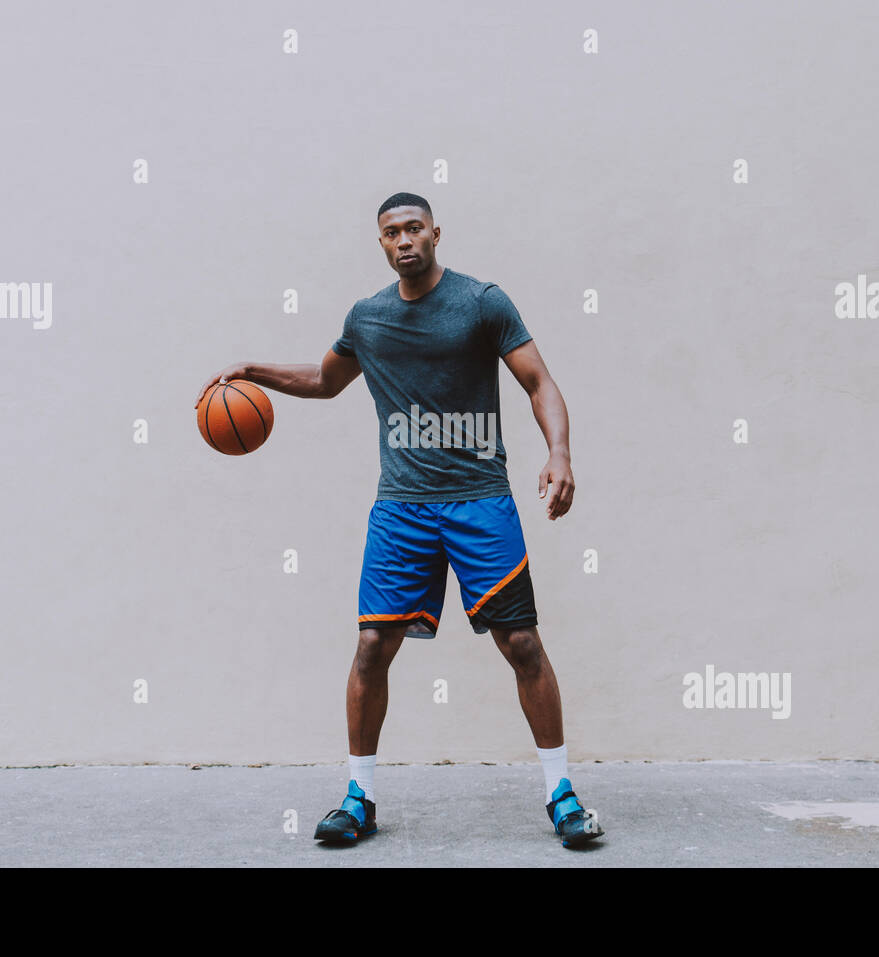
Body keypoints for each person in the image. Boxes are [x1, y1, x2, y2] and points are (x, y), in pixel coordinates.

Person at [194, 192, 602, 848]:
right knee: (371, 647)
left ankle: (562, 791)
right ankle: (359, 796)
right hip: (401, 509)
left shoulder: (481, 303)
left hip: (480, 500)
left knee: (521, 643)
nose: (404, 239)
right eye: (391, 232)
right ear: (381, 243)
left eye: (414, 227)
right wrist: (255, 370)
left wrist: (559, 453)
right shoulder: (369, 318)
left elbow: (539, 382)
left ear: (436, 232)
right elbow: (325, 381)